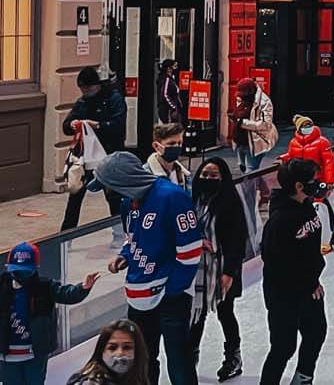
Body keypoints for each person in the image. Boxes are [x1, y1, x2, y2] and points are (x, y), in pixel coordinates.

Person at [96, 151, 202, 385]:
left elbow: (191, 249)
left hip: (169, 296)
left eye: (108, 185)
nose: (108, 192)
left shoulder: (172, 197)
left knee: (179, 360)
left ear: (123, 179)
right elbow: (133, 236)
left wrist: (173, 291)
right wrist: (125, 255)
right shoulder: (128, 202)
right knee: (142, 361)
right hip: (138, 297)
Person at [259, 159, 328, 385]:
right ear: (299, 186)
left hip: (310, 287)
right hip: (284, 294)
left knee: (316, 332)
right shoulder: (280, 221)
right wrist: (307, 284)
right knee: (283, 347)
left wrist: (313, 281)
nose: (317, 184)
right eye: (313, 181)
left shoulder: (305, 205)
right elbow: (276, 263)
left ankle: (303, 378)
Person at [0, 241, 97, 385]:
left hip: (35, 354)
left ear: (35, 268)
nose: (20, 275)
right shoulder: (2, 286)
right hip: (6, 356)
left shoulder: (45, 287)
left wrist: (82, 288)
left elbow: (65, 294)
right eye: (16, 270)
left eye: (25, 271)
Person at [188, 157, 247, 382]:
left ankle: (233, 357)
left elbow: (236, 240)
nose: (208, 179)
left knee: (225, 312)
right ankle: (190, 358)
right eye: (205, 175)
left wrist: (229, 272)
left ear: (223, 178)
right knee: (196, 314)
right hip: (195, 269)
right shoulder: (191, 199)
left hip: (222, 269)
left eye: (214, 176)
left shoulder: (230, 202)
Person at [61, 66, 128, 231]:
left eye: (88, 88)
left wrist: (97, 125)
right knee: (75, 197)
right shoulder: (83, 102)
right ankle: (65, 236)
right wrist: (72, 124)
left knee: (113, 197)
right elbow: (66, 125)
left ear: (97, 85)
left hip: (109, 155)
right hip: (86, 158)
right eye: (82, 89)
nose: (85, 91)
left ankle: (120, 233)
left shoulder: (114, 99)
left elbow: (119, 126)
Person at [282, 116, 334, 251]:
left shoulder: (322, 142)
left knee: (321, 207)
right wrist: (283, 159)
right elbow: (291, 156)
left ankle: (329, 237)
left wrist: (329, 181)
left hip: (318, 180)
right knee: (305, 210)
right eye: (304, 125)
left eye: (309, 124)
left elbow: (328, 162)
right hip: (302, 182)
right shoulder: (294, 143)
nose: (308, 127)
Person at [64, 319, 149, 385]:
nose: (120, 353)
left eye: (127, 347)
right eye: (112, 348)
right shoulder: (90, 382)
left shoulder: (136, 378)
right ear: (102, 351)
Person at [231, 77, 277, 173]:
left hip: (256, 141)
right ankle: (259, 186)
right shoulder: (242, 97)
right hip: (240, 140)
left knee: (251, 171)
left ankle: (251, 187)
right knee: (244, 170)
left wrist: (242, 123)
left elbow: (265, 125)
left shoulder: (264, 102)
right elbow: (238, 114)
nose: (240, 98)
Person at [145, 122, 190, 192]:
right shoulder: (146, 175)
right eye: (171, 143)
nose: (176, 146)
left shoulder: (184, 174)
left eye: (179, 143)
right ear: (156, 146)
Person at [156, 60, 182, 125]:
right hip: (168, 111)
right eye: (174, 66)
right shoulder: (166, 79)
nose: (176, 68)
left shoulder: (171, 79)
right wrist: (173, 106)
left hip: (171, 110)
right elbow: (165, 94)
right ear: (169, 68)